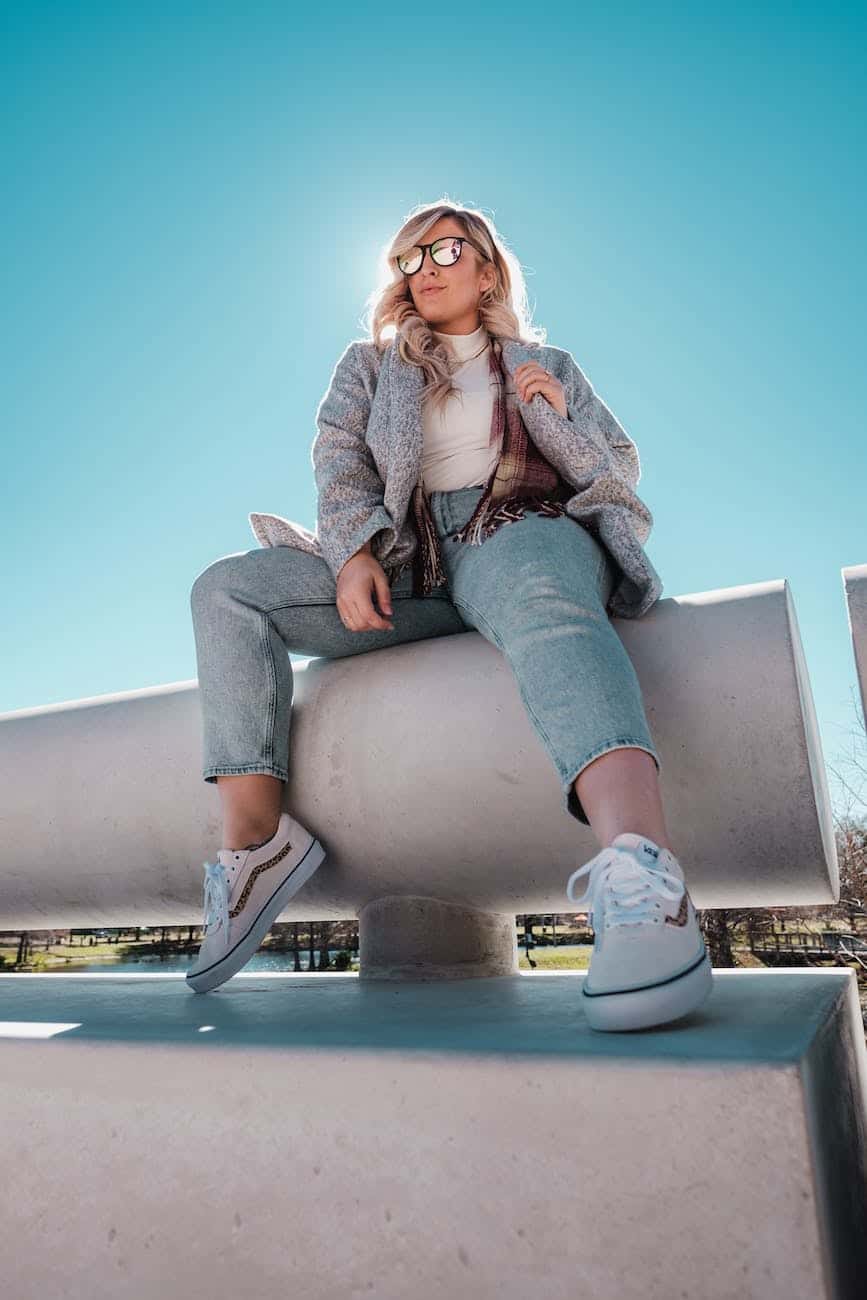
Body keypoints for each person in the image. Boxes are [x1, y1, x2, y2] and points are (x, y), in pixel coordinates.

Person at [185, 200, 712, 1031]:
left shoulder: (547, 361)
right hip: (409, 565)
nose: (423, 268)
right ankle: (255, 850)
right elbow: (339, 459)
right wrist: (354, 548)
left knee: (544, 603)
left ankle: (645, 880)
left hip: (518, 530)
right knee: (227, 588)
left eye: (443, 250)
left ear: (488, 267)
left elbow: (615, 473)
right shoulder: (370, 366)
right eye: (407, 259)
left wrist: (561, 423)